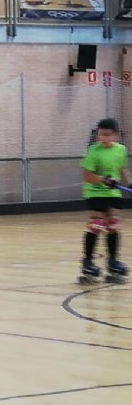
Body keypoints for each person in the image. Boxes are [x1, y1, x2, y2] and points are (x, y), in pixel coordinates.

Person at [80, 118, 130, 282]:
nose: (103, 138)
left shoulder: (121, 150)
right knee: (96, 225)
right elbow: (86, 176)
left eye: (107, 135)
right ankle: (88, 262)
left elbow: (122, 169)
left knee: (113, 225)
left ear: (116, 135)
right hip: (95, 191)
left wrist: (129, 183)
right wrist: (103, 179)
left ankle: (113, 261)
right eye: (101, 135)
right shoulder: (93, 151)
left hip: (113, 192)